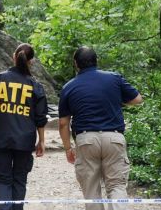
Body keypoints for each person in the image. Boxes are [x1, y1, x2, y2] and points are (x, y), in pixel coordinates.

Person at [58, 46, 144, 210]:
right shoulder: (114, 78)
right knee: (116, 186)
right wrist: (117, 101)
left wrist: (68, 148)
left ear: (76, 63)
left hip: (86, 140)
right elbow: (138, 99)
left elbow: (63, 123)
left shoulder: (69, 87)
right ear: (96, 60)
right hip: (114, 138)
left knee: (91, 190)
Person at [0, 43, 48, 210]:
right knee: (20, 179)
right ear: (31, 61)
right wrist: (42, 141)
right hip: (25, 140)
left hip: (1, 137)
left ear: (13, 57)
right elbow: (40, 118)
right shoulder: (35, 86)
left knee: (3, 178)